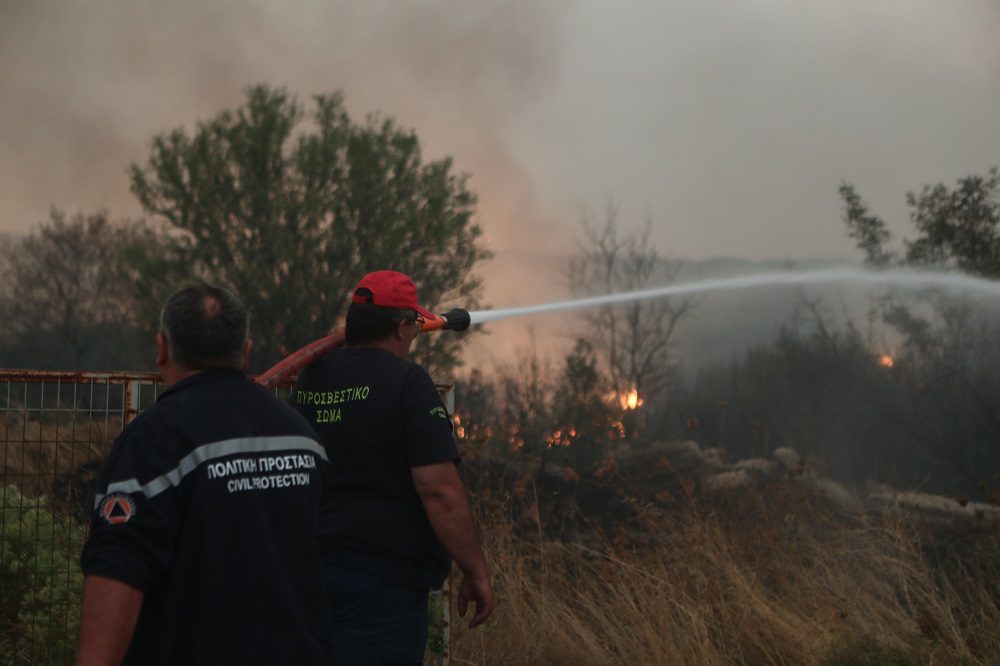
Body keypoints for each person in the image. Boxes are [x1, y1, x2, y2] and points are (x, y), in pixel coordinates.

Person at [76, 284, 334, 666]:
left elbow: (119, 574)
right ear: (245, 352)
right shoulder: (302, 437)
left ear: (162, 349)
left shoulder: (154, 440)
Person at [292, 270, 495, 665]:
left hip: (309, 573)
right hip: (382, 587)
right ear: (403, 327)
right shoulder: (408, 383)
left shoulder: (311, 379)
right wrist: (475, 571)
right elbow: (439, 490)